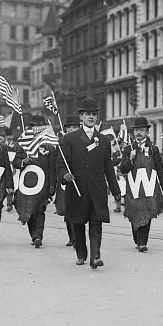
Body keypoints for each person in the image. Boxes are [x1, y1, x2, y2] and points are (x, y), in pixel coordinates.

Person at [57, 98, 121, 269]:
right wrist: (65, 175)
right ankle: (81, 253)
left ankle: (95, 256)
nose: (91, 117)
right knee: (77, 223)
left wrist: (116, 191)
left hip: (96, 190)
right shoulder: (69, 139)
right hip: (77, 189)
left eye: (94, 114)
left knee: (96, 223)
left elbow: (108, 167)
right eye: (88, 114)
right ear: (81, 117)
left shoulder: (104, 140)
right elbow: (61, 164)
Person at [119, 117, 163, 252]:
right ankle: (137, 238)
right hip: (134, 188)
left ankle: (143, 242)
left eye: (141, 130)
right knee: (134, 214)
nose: (138, 133)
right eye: (136, 130)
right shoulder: (128, 149)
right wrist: (130, 159)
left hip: (149, 187)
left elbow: (160, 168)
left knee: (147, 213)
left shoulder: (153, 149)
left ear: (147, 132)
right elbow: (123, 169)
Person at [12, 115, 57, 248]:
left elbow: (52, 169)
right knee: (29, 211)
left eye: (39, 127)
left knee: (40, 210)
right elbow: (15, 162)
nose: (36, 130)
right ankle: (33, 233)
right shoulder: (24, 145)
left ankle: (38, 236)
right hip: (27, 185)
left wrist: (52, 186)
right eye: (33, 127)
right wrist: (22, 162)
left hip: (43, 185)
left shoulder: (49, 147)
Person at [54, 115, 80, 247]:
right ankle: (72, 237)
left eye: (75, 127)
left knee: (79, 210)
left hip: (80, 180)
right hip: (66, 181)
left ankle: (78, 237)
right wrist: (63, 175)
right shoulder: (61, 144)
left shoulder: (83, 141)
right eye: (70, 127)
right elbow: (58, 164)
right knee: (67, 209)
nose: (72, 129)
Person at [4, 127, 19, 212]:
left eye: (10, 135)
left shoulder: (17, 145)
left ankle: (15, 202)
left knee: (16, 186)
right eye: (7, 135)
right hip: (7, 168)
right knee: (8, 186)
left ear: (12, 136)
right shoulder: (2, 144)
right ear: (5, 136)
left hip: (15, 168)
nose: (9, 137)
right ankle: (9, 204)